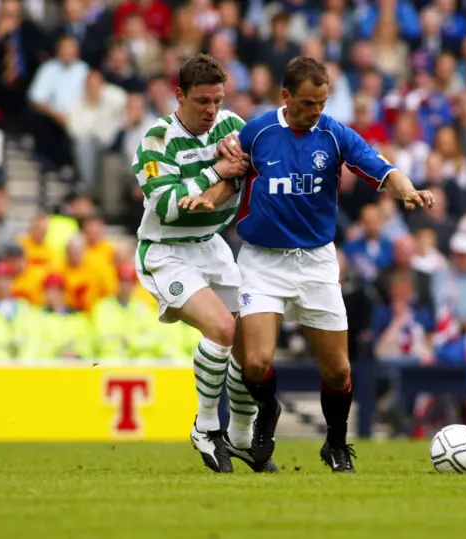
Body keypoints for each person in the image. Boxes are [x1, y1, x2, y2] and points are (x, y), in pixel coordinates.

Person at [191, 56, 435, 472]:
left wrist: (407, 189)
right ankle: (267, 411)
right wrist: (207, 197)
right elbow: (230, 176)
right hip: (262, 263)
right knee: (255, 362)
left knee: (339, 371)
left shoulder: (334, 134)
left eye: (321, 103)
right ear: (286, 97)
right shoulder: (259, 131)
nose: (315, 111)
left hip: (317, 263)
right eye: (307, 103)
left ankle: (336, 444)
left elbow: (382, 168)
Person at [132, 53, 274, 474]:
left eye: (217, 100)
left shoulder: (232, 127)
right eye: (202, 102)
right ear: (179, 96)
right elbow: (171, 207)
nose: (212, 111)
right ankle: (206, 427)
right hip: (167, 251)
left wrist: (222, 183)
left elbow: (244, 173)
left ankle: (242, 436)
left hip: (212, 246)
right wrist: (218, 171)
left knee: (252, 347)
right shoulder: (156, 140)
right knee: (223, 328)